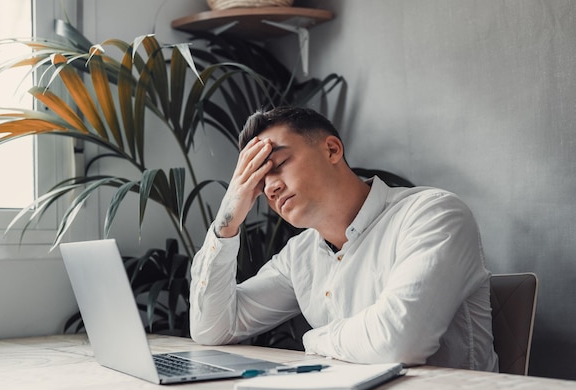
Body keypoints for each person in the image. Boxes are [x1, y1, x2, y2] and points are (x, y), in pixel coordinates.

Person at [189, 106, 498, 371]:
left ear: (332, 150)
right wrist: (227, 220)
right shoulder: (300, 254)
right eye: (258, 180)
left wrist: (314, 338)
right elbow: (212, 329)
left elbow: (399, 342)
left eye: (279, 165)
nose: (269, 188)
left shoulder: (432, 214)